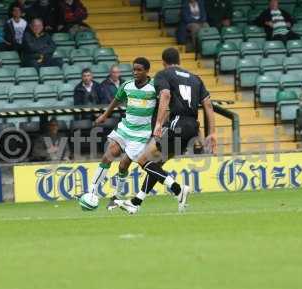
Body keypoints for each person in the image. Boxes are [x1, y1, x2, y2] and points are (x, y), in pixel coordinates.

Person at [114, 48, 217, 214]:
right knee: (156, 165)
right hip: (192, 128)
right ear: (179, 60)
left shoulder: (164, 75)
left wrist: (158, 124)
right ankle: (136, 202)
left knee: (142, 160)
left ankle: (178, 189)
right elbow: (208, 105)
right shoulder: (195, 78)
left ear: (163, 61)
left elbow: (166, 96)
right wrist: (212, 132)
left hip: (177, 123)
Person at [87, 57, 156, 209]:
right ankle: (91, 191)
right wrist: (105, 115)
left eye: (139, 70)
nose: (135, 72)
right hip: (125, 129)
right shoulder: (127, 85)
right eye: (134, 69)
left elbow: (164, 102)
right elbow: (116, 100)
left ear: (147, 71)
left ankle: (117, 196)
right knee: (108, 155)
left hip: (141, 134)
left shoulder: (154, 87)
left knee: (123, 165)